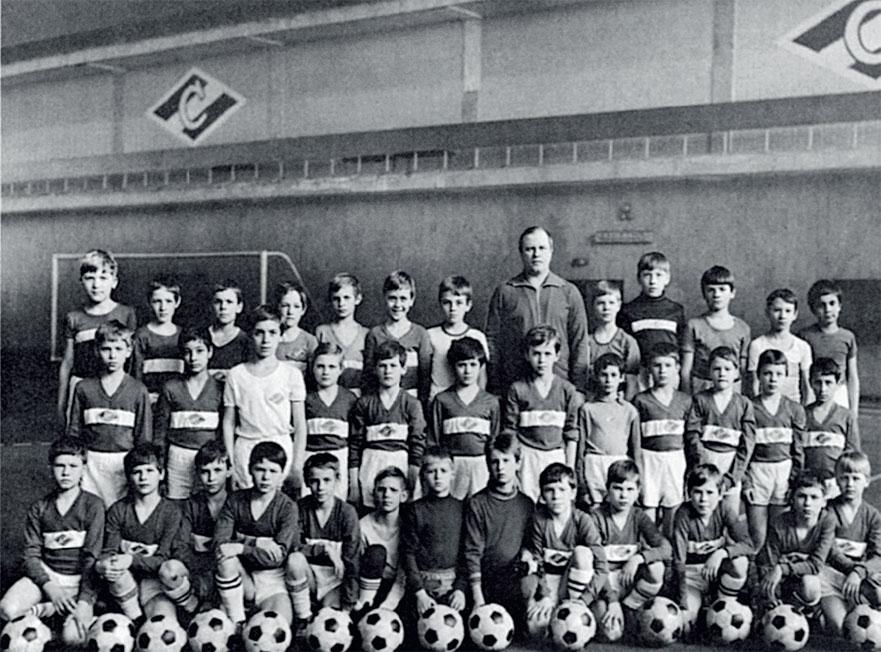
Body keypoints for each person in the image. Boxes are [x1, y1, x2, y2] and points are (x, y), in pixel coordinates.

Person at [0, 437, 104, 646]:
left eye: (73, 466)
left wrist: (85, 600)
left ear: (83, 469)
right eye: (60, 466)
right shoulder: (40, 508)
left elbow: (92, 557)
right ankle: (51, 611)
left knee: (73, 638)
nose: (66, 472)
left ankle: (48, 611)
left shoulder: (93, 506)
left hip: (79, 580)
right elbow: (30, 556)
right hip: (50, 577)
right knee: (7, 610)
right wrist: (51, 589)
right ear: (50, 469)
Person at [485, 226, 589, 395]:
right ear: (521, 253)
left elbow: (580, 342)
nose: (536, 254)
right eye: (530, 249)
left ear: (551, 251)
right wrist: (496, 386)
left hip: (559, 385)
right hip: (515, 385)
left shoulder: (568, 292)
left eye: (542, 248)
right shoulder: (505, 291)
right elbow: (493, 342)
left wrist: (579, 389)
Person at [96, 444, 186, 623]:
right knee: (115, 567)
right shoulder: (118, 510)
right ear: (129, 476)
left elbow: (164, 558)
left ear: (161, 474)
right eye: (137, 472)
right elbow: (109, 551)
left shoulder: (171, 512)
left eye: (149, 471)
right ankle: (134, 618)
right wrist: (105, 564)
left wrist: (131, 559)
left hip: (155, 585)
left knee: (163, 625)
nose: (143, 477)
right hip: (125, 585)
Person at [214, 442, 300, 627]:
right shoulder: (235, 500)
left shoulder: (287, 507)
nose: (266, 477)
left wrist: (240, 547)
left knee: (277, 627)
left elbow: (276, 558)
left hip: (272, 581)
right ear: (250, 470)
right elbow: (220, 545)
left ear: (282, 474)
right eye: (260, 469)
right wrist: (257, 542)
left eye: (273, 471)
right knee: (225, 559)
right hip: (241, 578)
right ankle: (237, 621)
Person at [67, 320, 152, 507]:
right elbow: (74, 433)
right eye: (106, 349)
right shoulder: (83, 388)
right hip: (91, 464)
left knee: (120, 514)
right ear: (97, 350)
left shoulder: (138, 390)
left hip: (123, 463)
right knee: (91, 513)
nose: (113, 355)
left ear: (129, 351)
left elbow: (143, 438)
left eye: (119, 349)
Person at [222, 305, 307, 491]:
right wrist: (231, 465)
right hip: (246, 450)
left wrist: (296, 465)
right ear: (250, 335)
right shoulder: (236, 374)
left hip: (281, 449)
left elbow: (300, 425)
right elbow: (228, 422)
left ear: (280, 335)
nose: (266, 340)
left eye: (272, 332)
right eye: (259, 333)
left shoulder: (291, 374)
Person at [521, 463, 607, 636]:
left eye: (562, 489)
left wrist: (585, 599)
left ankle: (573, 607)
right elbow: (537, 562)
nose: (556, 496)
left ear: (573, 493)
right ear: (542, 494)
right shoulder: (539, 520)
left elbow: (602, 567)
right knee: (535, 628)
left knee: (582, 553)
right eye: (549, 490)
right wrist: (544, 595)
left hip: (575, 583)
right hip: (550, 581)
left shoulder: (583, 520)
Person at [590, 459, 671, 642]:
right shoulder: (596, 518)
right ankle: (612, 608)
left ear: (638, 491)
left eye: (629, 489)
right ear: (607, 489)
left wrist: (638, 558)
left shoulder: (638, 516)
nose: (623, 495)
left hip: (628, 581)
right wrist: (612, 601)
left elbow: (666, 548)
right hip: (604, 583)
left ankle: (630, 607)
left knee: (656, 567)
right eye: (617, 488)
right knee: (610, 634)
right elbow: (596, 565)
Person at [503, 325, 582, 502]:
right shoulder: (518, 389)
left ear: (557, 355)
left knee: (555, 505)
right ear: (527, 355)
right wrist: (513, 467)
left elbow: (571, 433)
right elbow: (510, 431)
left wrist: (569, 468)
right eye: (536, 354)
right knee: (526, 505)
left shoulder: (567, 390)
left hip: (556, 456)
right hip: (527, 457)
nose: (541, 360)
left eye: (547, 354)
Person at [58, 249, 137, 425]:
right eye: (89, 278)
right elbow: (67, 362)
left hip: (114, 388)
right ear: (81, 281)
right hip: (81, 388)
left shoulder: (126, 314)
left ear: (114, 282)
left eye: (103, 278)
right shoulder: (73, 318)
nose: (96, 284)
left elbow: (132, 360)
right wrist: (61, 403)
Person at [672, 464, 753, 632]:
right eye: (697, 492)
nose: (703, 499)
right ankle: (700, 609)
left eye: (709, 493)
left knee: (740, 563)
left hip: (716, 574)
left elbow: (748, 544)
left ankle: (724, 603)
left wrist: (722, 553)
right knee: (686, 624)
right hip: (691, 577)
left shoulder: (724, 509)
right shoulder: (683, 514)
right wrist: (683, 601)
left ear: (720, 493)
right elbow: (679, 561)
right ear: (688, 493)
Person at [463, 434, 534, 623]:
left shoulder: (526, 504)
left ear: (517, 463)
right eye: (494, 462)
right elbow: (472, 553)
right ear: (488, 465)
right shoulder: (477, 503)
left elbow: (530, 545)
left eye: (506, 461)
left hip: (513, 581)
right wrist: (478, 598)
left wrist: (527, 554)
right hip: (483, 582)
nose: (500, 467)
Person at [350, 341, 427, 508]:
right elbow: (355, 445)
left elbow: (417, 444)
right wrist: (354, 484)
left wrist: (412, 479)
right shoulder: (364, 404)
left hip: (401, 463)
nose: (388, 371)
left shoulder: (411, 404)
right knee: (370, 509)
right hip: (371, 463)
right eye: (382, 366)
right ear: (374, 369)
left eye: (393, 365)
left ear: (403, 369)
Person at [287, 454, 361, 627]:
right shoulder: (299, 508)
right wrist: (324, 549)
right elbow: (293, 546)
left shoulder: (347, 513)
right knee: (294, 560)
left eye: (327, 480)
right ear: (306, 482)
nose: (321, 487)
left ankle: (326, 608)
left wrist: (347, 606)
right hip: (308, 578)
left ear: (338, 480)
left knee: (328, 623)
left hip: (335, 582)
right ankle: (303, 617)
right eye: (315, 481)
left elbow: (353, 561)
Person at [745, 349, 806, 550]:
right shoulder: (749, 407)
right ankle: (755, 568)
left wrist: (794, 481)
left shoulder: (794, 409)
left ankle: (776, 569)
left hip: (783, 474)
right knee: (758, 536)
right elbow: (743, 449)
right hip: (757, 472)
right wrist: (746, 482)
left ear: (786, 375)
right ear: (759, 375)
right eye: (767, 373)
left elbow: (798, 450)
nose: (773, 379)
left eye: (778, 374)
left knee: (779, 534)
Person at [154, 326, 223, 500]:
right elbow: (160, 433)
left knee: (207, 505)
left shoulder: (220, 389)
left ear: (210, 352)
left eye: (199, 351)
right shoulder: (171, 388)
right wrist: (160, 464)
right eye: (187, 352)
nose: (193, 358)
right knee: (177, 505)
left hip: (209, 459)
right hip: (178, 456)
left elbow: (224, 430)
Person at [685, 346, 756, 513]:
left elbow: (747, 443)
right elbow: (692, 434)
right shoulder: (700, 400)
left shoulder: (744, 404)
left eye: (727, 369)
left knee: (729, 515)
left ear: (736, 372)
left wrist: (732, 477)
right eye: (717, 369)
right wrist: (703, 467)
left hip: (730, 464)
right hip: (706, 461)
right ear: (709, 372)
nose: (722, 373)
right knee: (703, 511)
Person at [428, 337, 500, 500]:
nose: (467, 371)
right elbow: (434, 440)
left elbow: (494, 440)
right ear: (453, 366)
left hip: (481, 464)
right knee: (451, 506)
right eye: (462, 365)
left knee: (480, 505)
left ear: (481, 366)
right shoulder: (442, 400)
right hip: (452, 466)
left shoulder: (490, 402)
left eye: (473, 365)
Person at [631, 343, 692, 534]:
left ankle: (669, 551)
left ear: (677, 368)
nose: (662, 370)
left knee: (672, 516)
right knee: (648, 514)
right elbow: (635, 442)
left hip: (675, 461)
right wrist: (638, 470)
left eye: (667, 365)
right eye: (657, 365)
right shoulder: (640, 400)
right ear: (649, 369)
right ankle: (649, 549)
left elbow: (690, 441)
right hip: (649, 461)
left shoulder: (685, 401)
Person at [758, 470, 835, 618]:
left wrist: (782, 568)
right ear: (792, 498)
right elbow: (768, 562)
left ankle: (810, 611)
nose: (807, 503)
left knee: (810, 584)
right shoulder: (779, 523)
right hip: (782, 579)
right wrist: (772, 595)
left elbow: (815, 565)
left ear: (824, 501)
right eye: (801, 496)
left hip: (808, 577)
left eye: (814, 497)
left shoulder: (827, 522)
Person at [400, 448, 468, 615]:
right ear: (423, 475)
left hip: (453, 587)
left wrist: (460, 589)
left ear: (452, 474)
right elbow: (408, 553)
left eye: (443, 471)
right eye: (431, 471)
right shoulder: (415, 509)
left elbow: (467, 553)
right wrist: (420, 593)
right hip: (422, 586)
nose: (438, 477)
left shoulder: (462, 508)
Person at [820, 452, 881, 635]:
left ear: (866, 481)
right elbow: (830, 552)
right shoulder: (827, 511)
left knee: (878, 594)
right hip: (831, 575)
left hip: (858, 577)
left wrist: (859, 573)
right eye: (844, 478)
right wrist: (854, 571)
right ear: (837, 481)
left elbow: (878, 555)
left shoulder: (873, 516)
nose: (850, 484)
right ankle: (817, 611)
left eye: (856, 478)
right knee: (840, 628)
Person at [170, 441, 231, 609]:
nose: (211, 478)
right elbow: (179, 546)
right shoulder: (192, 505)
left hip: (227, 573)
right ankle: (192, 607)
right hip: (197, 571)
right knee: (170, 570)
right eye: (205, 472)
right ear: (197, 474)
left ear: (229, 471)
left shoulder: (237, 502)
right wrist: (200, 571)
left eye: (217, 470)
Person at [576, 353, 640, 508]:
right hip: (594, 464)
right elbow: (581, 448)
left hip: (620, 463)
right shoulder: (587, 409)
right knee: (595, 509)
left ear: (621, 377)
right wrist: (582, 484)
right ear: (596, 377)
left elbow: (636, 449)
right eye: (604, 375)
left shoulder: (629, 410)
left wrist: (638, 477)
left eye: (613, 375)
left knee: (618, 507)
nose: (608, 380)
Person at [617, 251, 685, 392]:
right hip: (640, 374)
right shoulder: (628, 310)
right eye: (647, 275)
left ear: (667, 279)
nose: (653, 281)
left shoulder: (676, 310)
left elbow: (681, 346)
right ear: (639, 278)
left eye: (659, 275)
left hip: (668, 373)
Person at [362, 270, 433, 403]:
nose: (397, 305)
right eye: (392, 298)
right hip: (381, 403)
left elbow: (425, 378)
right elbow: (369, 377)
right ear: (385, 298)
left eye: (403, 299)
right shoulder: (374, 334)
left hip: (411, 402)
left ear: (411, 301)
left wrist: (420, 407)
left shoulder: (420, 334)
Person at [680, 266, 750, 394]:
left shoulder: (742, 328)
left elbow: (743, 370)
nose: (717, 295)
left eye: (722, 289)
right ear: (704, 294)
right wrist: (687, 397)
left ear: (732, 293)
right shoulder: (694, 325)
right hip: (701, 387)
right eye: (711, 290)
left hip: (732, 389)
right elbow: (686, 370)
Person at [304, 342, 359, 500]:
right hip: (310, 460)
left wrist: (353, 481)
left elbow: (355, 441)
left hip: (339, 460)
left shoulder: (350, 399)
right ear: (312, 368)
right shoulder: (305, 398)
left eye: (332, 367)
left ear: (341, 369)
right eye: (320, 366)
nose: (325, 372)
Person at [798, 280, 859, 417]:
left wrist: (854, 409)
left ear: (840, 306)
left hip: (839, 392)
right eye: (821, 305)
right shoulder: (805, 336)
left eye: (832, 303)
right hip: (814, 390)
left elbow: (852, 376)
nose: (828, 309)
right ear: (813, 309)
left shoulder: (847, 337)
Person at [803, 357, 860, 499]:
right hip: (809, 484)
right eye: (818, 382)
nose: (823, 389)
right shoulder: (802, 415)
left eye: (828, 383)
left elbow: (852, 454)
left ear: (838, 383)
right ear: (810, 383)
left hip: (836, 484)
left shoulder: (846, 416)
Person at [427, 276, 489, 401]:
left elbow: (481, 377)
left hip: (468, 401)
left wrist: (478, 402)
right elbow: (425, 374)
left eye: (459, 303)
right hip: (437, 401)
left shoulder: (477, 336)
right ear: (440, 304)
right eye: (447, 302)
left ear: (468, 305)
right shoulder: (430, 335)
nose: (453, 308)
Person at [357, 466, 409, 612]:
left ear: (403, 496)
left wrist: (388, 605)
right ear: (374, 493)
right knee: (376, 552)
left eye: (393, 490)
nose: (387, 495)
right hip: (368, 588)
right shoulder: (363, 526)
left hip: (399, 589)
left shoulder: (409, 526)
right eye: (381, 489)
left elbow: (404, 574)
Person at [746, 288, 812, 403]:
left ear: (795, 315)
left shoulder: (802, 346)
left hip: (793, 406)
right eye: (777, 310)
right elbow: (754, 385)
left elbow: (806, 385)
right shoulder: (757, 345)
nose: (782, 316)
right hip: (765, 406)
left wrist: (803, 410)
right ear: (767, 312)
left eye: (788, 311)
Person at [131, 275, 184, 405]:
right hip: (149, 401)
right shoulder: (142, 335)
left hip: (176, 401)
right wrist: (144, 397)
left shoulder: (183, 335)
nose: (163, 307)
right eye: (157, 301)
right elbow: (136, 373)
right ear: (149, 302)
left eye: (168, 301)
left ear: (177, 302)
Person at [315, 273, 369, 397]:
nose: (341, 303)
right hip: (329, 397)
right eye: (336, 299)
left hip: (359, 399)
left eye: (346, 297)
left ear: (358, 299)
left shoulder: (366, 334)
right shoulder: (322, 332)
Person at [588, 280, 639, 399]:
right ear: (593, 306)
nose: (606, 308)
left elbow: (632, 380)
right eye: (601, 303)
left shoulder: (627, 342)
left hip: (619, 401)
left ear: (619, 305)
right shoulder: (586, 342)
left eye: (611, 302)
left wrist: (626, 405)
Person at [207, 279, 251, 383]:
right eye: (218, 302)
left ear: (239, 307)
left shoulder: (246, 340)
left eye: (229, 302)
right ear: (211, 306)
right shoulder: (201, 337)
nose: (223, 307)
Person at [275, 281, 319, 374]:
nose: (290, 311)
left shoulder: (310, 341)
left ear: (303, 309)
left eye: (296, 306)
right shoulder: (270, 339)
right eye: (285, 306)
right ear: (278, 307)